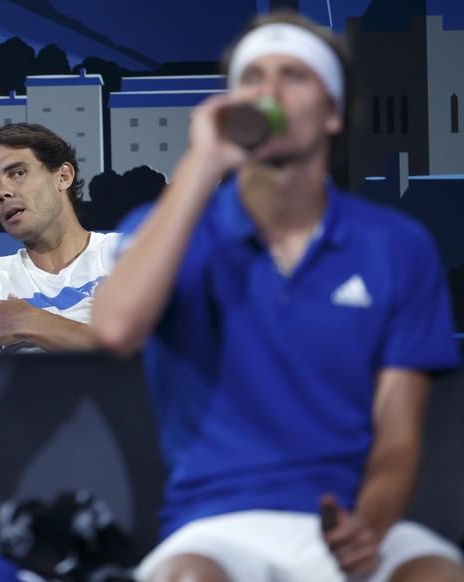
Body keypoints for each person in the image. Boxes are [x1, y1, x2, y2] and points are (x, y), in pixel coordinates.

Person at [91, 10, 464, 582]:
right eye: (252, 78)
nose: (269, 93)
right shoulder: (171, 227)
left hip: (347, 518)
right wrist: (203, 163)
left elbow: (397, 437)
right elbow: (115, 330)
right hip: (217, 525)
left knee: (439, 572)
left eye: (294, 76)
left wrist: (369, 526)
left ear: (333, 113)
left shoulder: (397, 245)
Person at [0, 123, 118, 352]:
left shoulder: (125, 255)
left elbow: (153, 354)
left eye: (18, 173)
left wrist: (30, 322)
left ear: (63, 176)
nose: (1, 192)